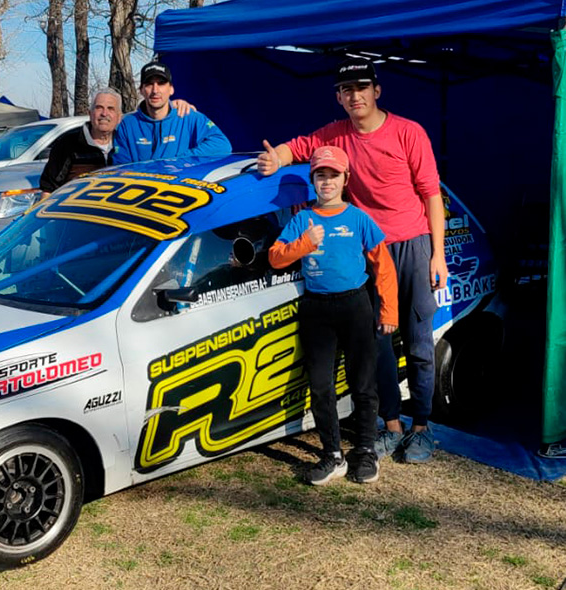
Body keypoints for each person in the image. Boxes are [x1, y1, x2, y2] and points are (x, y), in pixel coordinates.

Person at [257, 57, 447, 463]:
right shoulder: (336, 135)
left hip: (411, 245)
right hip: (368, 250)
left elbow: (432, 195)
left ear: (376, 91)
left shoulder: (409, 132)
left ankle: (422, 428)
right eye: (346, 90)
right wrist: (278, 159)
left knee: (417, 342)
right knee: (377, 343)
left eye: (362, 87)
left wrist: (438, 255)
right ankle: (391, 427)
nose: (354, 96)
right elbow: (301, 147)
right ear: (339, 98)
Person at [268, 146, 398, 485]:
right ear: (313, 181)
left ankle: (366, 450)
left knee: (363, 382)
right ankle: (333, 454)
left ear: (345, 180)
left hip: (356, 305)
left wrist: (389, 311)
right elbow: (276, 258)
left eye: (333, 175)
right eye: (320, 176)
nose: (327, 182)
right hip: (317, 309)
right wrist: (304, 244)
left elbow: (384, 266)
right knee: (321, 384)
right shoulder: (302, 220)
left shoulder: (358, 218)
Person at [113, 61, 232, 164]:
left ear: (171, 89)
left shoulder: (187, 117)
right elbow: (120, 166)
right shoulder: (127, 125)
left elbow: (223, 145)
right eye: (149, 84)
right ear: (141, 90)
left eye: (161, 83)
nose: (155, 90)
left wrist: (181, 160)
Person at [39, 89, 123, 199]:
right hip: (76, 213)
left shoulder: (124, 144)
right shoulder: (68, 144)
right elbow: (48, 190)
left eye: (110, 109)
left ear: (119, 117)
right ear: (90, 113)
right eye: (99, 108)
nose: (104, 113)